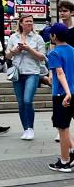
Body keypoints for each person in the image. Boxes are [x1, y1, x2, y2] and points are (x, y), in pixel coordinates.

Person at [5, 12, 46, 140]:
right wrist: (15, 51)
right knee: (21, 103)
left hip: (32, 72)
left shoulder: (37, 38)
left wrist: (29, 49)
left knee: (28, 100)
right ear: (21, 23)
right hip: (17, 73)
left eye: (31, 21)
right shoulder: (13, 37)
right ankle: (25, 129)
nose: (29, 23)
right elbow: (7, 56)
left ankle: (31, 128)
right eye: (27, 21)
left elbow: (42, 57)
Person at [47, 23, 74, 171]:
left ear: (53, 36)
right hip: (72, 92)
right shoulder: (72, 50)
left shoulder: (54, 53)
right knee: (62, 126)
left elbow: (60, 73)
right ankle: (71, 153)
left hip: (61, 94)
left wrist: (67, 92)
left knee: (63, 129)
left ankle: (64, 162)